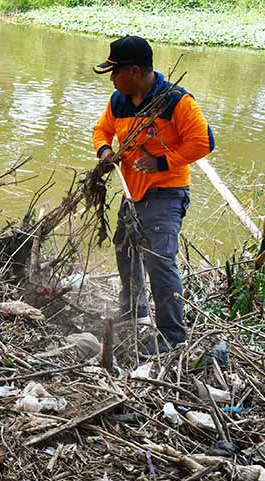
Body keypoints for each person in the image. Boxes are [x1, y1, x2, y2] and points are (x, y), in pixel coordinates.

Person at [92, 35, 214, 355]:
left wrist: (162, 161)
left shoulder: (176, 101)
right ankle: (135, 312)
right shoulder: (118, 102)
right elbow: (101, 130)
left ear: (133, 72)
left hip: (166, 193)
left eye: (114, 72)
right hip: (133, 194)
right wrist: (105, 150)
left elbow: (203, 142)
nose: (111, 79)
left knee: (159, 261)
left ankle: (172, 337)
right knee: (126, 249)